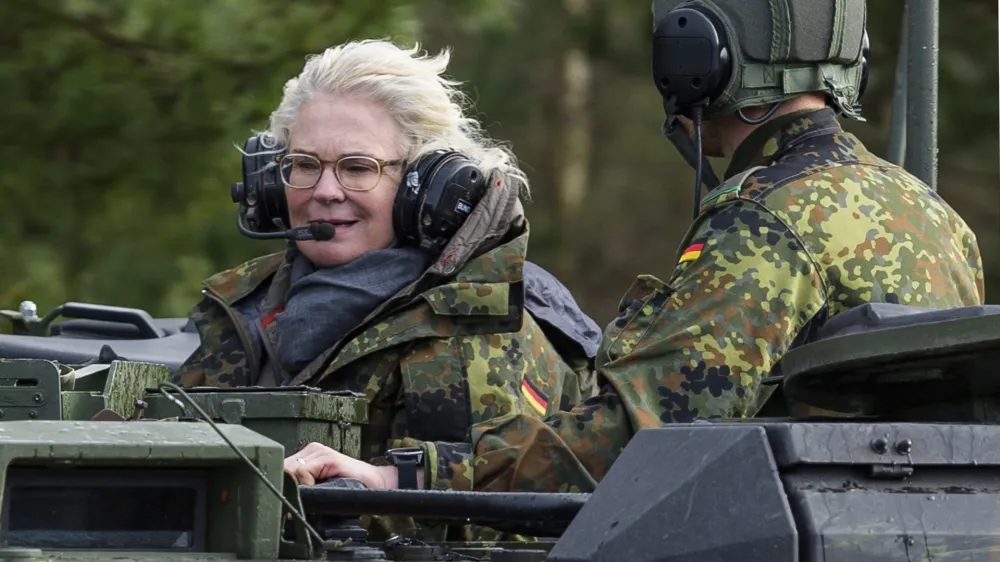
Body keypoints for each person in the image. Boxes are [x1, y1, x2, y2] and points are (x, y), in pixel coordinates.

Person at [282, 0, 986, 495]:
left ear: (696, 59)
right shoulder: (929, 211)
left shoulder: (765, 222)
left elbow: (638, 437)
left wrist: (404, 476)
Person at [171, 41, 602, 497]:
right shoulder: (246, 305)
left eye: (358, 168)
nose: (326, 191)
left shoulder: (484, 324)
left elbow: (505, 514)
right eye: (304, 165)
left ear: (425, 184)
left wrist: (366, 490)